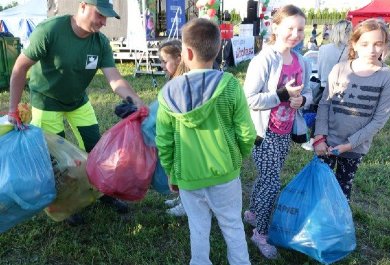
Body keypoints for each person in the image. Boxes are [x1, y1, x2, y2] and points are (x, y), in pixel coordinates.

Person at [8, 0, 144, 225]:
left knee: (97, 147)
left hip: (78, 101)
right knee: (55, 161)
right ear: (82, 6)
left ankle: (104, 192)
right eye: (100, 15)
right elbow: (20, 67)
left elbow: (114, 79)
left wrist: (137, 101)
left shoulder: (100, 43)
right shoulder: (50, 31)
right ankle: (64, 205)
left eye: (107, 17)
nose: (104, 22)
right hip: (46, 101)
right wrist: (13, 110)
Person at [156, 18, 256, 265]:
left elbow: (164, 141)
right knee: (232, 226)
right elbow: (246, 132)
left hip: (188, 177)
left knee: (198, 227)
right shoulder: (231, 85)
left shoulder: (168, 93)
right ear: (218, 49)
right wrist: (236, 157)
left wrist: (171, 171)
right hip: (225, 174)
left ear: (186, 53)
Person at [243, 5, 312, 259]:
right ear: (275, 28)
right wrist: (282, 95)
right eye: (290, 28)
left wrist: (301, 101)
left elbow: (308, 92)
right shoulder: (263, 60)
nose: (295, 34)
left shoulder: (301, 61)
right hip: (263, 134)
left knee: (268, 176)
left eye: (300, 29)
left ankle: (252, 213)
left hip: (284, 132)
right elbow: (249, 98)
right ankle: (260, 233)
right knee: (272, 183)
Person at [314, 18, 390, 201]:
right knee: (318, 187)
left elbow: (379, 119)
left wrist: (350, 144)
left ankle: (337, 227)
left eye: (378, 44)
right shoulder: (339, 69)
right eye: (365, 44)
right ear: (354, 44)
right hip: (327, 143)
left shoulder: (386, 76)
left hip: (355, 147)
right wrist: (319, 137)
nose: (372, 50)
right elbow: (325, 104)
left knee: (341, 191)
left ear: (385, 46)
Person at [302, 19, 352, 151]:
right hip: (344, 88)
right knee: (340, 117)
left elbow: (319, 70)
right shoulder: (351, 51)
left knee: (321, 115)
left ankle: (314, 139)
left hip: (324, 86)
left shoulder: (323, 49)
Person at [158, 39, 189, 217]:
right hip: (177, 136)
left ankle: (186, 204)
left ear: (179, 58)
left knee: (183, 169)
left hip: (182, 137)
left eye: (165, 61)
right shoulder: (174, 77)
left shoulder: (182, 81)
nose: (162, 65)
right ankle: (181, 198)